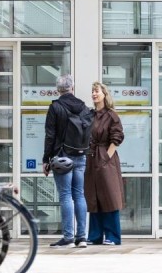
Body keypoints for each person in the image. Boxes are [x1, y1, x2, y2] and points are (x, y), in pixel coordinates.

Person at [42, 74, 90, 248]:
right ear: (73, 88)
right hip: (80, 155)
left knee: (65, 195)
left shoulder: (55, 107)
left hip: (62, 156)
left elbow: (50, 136)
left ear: (58, 89)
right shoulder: (83, 107)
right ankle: (82, 237)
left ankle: (68, 237)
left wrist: (46, 159)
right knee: (79, 194)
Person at [84, 82, 125, 246]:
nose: (94, 94)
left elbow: (117, 138)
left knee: (109, 196)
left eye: (97, 91)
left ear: (104, 94)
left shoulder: (111, 115)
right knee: (93, 197)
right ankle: (94, 236)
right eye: (92, 91)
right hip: (91, 157)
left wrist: (106, 157)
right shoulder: (90, 115)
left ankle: (113, 236)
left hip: (106, 158)